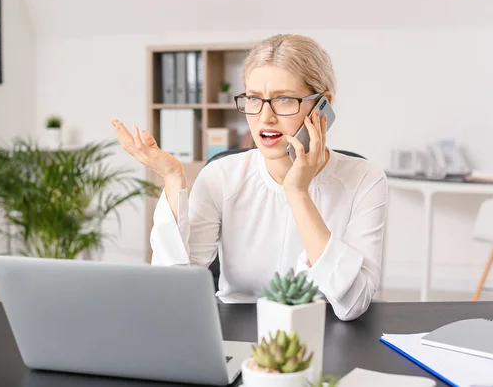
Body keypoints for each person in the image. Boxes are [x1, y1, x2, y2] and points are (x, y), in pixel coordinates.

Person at [111, 34, 388, 321]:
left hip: (322, 331)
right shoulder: (221, 176)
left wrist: (298, 192)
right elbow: (172, 290)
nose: (265, 117)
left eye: (283, 99)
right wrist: (172, 177)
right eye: (254, 98)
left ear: (323, 104)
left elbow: (353, 303)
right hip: (235, 331)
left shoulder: (365, 179)